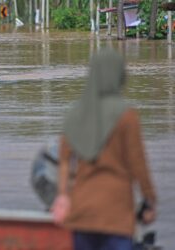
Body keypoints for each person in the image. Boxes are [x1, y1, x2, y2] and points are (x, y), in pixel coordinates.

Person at [51, 49, 157, 250]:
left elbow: (64, 161)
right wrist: (149, 199)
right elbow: (138, 163)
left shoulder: (76, 114)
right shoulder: (127, 117)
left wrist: (62, 195)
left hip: (82, 207)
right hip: (116, 210)